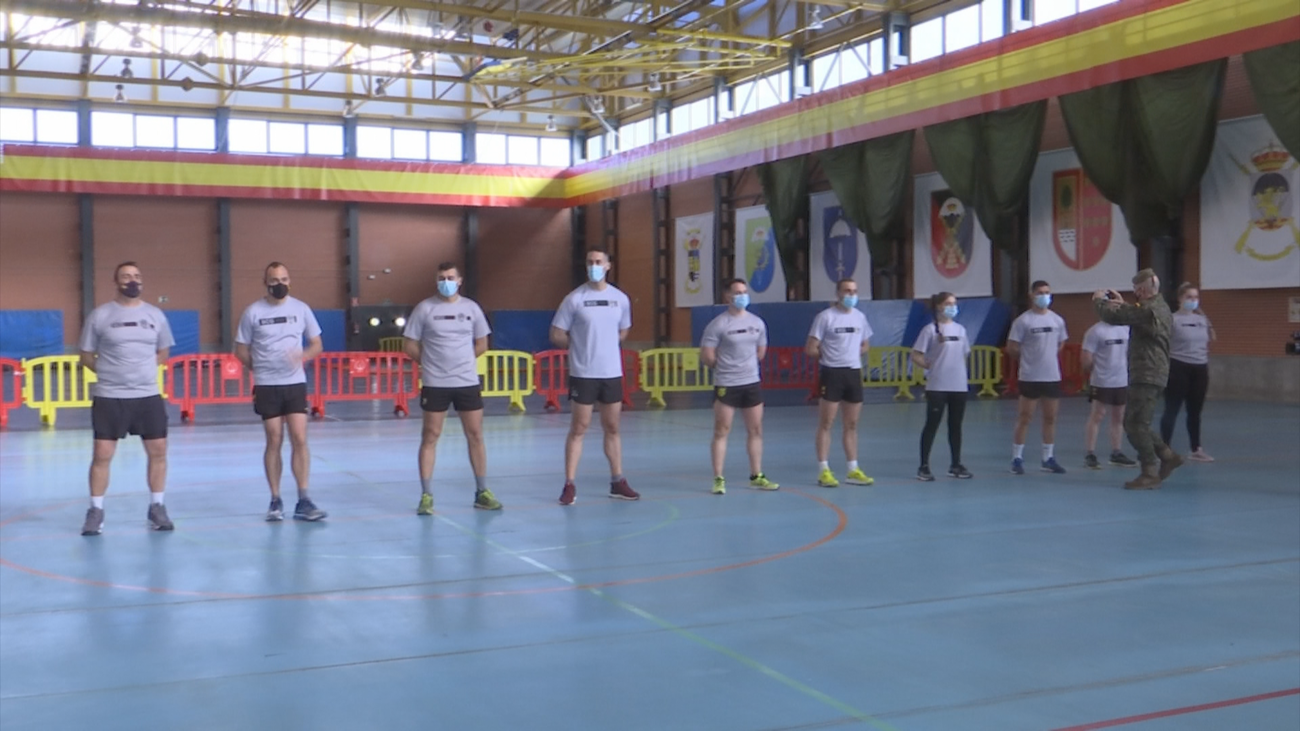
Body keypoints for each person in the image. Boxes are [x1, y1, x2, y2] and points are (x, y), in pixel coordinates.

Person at [78, 262, 176, 536]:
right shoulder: (100, 315)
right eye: (126, 277)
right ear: (116, 282)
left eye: (136, 276)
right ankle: (95, 511)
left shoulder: (155, 315)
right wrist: (111, 372)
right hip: (110, 396)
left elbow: (164, 351)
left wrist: (142, 371)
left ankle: (157, 508)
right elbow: (86, 355)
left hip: (147, 396)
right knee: (102, 455)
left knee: (158, 452)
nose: (132, 281)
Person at [403, 263, 502, 514]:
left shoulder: (471, 308)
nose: (445, 281)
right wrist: (428, 363)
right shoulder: (425, 309)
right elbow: (409, 344)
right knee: (430, 436)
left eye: (450, 277)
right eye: (441, 278)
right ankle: (426, 495)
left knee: (475, 435)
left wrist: (464, 361)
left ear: (459, 281)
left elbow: (482, 343)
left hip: (467, 382)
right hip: (435, 384)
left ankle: (482, 492)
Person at [235, 262, 327, 521]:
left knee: (299, 437)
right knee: (274, 438)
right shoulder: (253, 312)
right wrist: (258, 366)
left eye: (284, 279)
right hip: (266, 384)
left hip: (294, 383)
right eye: (274, 280)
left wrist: (303, 356)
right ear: (265, 283)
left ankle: (304, 499)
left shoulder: (301, 309)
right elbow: (240, 349)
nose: (280, 284)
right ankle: (275, 500)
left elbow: (317, 343)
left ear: (290, 280)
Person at [550, 249, 640, 505]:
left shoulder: (620, 299)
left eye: (599, 262)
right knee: (579, 428)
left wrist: (604, 345)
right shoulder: (574, 299)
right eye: (590, 262)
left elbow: (623, 330)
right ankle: (569, 484)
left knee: (612, 427)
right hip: (583, 374)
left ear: (608, 265)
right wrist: (579, 346)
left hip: (611, 373)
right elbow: (557, 333)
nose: (594, 266)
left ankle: (617, 481)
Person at [1093, 269, 1183, 489]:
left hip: (1147, 372)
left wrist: (1098, 302)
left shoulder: (1148, 310)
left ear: (1142, 290)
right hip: (1153, 372)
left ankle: (1150, 471)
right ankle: (1167, 455)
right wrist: (1122, 303)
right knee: (1139, 422)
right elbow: (1133, 313)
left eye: (1136, 292)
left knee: (1134, 424)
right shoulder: (1159, 307)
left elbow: (1114, 317)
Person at [700, 278, 778, 495]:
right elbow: (707, 355)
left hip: (751, 382)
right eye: (737, 292)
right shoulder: (718, 324)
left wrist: (747, 367)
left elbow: (760, 352)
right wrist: (725, 367)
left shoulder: (757, 323)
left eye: (744, 291)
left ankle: (756, 475)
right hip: (727, 384)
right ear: (728, 297)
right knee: (722, 430)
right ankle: (718, 478)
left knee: (755, 430)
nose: (742, 296)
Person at [806, 278, 874, 488]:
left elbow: (865, 344)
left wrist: (853, 353)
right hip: (832, 374)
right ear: (838, 293)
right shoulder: (825, 317)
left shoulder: (860, 317)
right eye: (847, 291)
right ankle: (823, 470)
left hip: (853, 373)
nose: (851, 295)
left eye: (854, 291)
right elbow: (810, 348)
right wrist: (828, 356)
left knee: (851, 424)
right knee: (826, 423)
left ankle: (853, 469)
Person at [1007, 280, 1069, 475]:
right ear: (1032, 295)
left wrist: (1048, 356)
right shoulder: (1023, 321)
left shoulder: (1057, 320)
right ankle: (1017, 457)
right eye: (1040, 292)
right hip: (1030, 376)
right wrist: (1029, 358)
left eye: (1047, 292)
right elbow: (1012, 347)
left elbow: (1061, 343)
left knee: (1050, 417)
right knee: (1025, 417)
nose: (1044, 296)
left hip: (1051, 376)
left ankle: (1047, 458)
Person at [910, 292, 973, 481]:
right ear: (939, 306)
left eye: (954, 303)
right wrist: (929, 364)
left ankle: (955, 464)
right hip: (938, 385)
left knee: (955, 425)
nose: (952, 307)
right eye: (948, 303)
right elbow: (916, 354)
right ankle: (924, 466)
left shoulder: (960, 330)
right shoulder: (930, 330)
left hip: (959, 385)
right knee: (932, 424)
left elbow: (965, 353)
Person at [1161, 282, 1215, 462]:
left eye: (1195, 297)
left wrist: (1204, 317)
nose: (1193, 300)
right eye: (1189, 297)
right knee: (1172, 409)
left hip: (1200, 367)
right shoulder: (1172, 319)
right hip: (1178, 366)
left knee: (1195, 411)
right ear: (1180, 299)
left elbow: (1212, 338)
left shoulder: (1202, 320)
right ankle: (1164, 447)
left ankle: (1196, 448)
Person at [1080, 314, 1137, 469]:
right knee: (1097, 415)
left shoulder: (1126, 329)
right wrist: (1096, 372)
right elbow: (1086, 359)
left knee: (1118, 416)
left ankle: (1116, 452)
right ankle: (1090, 453)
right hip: (1102, 380)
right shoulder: (1095, 331)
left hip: (1121, 380)